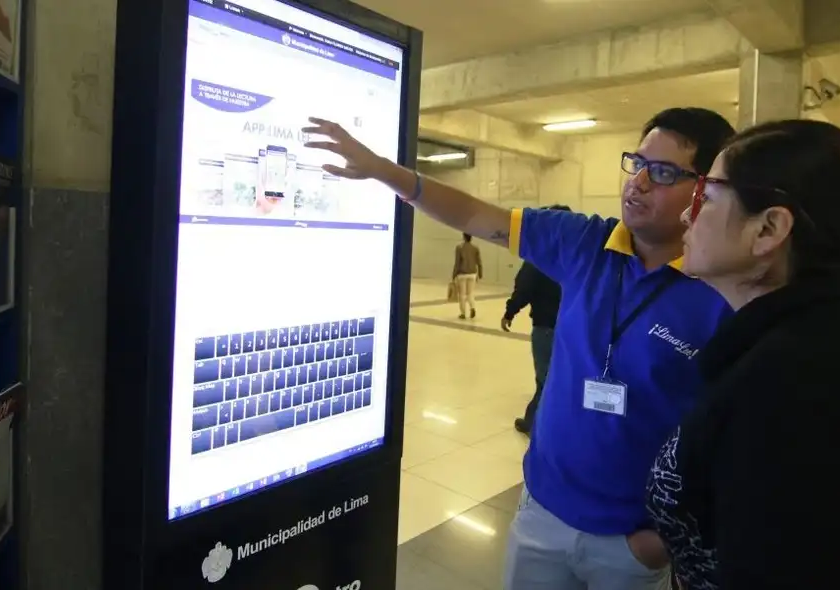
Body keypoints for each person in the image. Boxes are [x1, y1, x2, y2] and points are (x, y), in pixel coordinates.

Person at [303, 107, 736, 590]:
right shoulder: (584, 242)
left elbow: (736, 443)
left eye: (662, 173)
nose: (638, 183)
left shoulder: (723, 291)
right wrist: (386, 171)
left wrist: (655, 542)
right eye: (636, 163)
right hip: (541, 515)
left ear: (705, 190)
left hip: (631, 544)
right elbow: (473, 214)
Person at [645, 119, 840, 590]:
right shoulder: (804, 343)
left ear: (769, 229)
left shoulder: (795, 388)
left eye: (705, 199)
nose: (684, 218)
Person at [501, 205, 569, 435]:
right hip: (573, 329)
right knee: (562, 377)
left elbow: (524, 289)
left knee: (545, 379)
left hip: (546, 328)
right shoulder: (576, 255)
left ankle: (535, 423)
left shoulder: (539, 256)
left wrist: (510, 312)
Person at [453, 233, 482, 319]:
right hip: (472, 274)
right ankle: (472, 307)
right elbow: (479, 262)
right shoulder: (475, 248)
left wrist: (454, 274)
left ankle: (463, 313)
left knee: (462, 294)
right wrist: (480, 273)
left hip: (462, 274)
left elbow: (457, 263)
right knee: (470, 293)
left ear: (464, 237)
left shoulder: (459, 248)